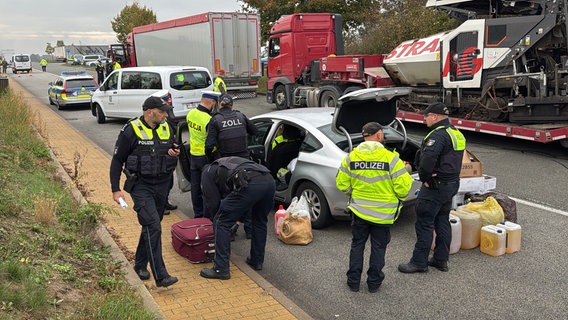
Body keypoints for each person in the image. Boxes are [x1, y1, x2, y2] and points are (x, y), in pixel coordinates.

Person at [109, 95, 180, 288]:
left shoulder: (168, 126)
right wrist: (116, 190)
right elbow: (117, 160)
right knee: (154, 226)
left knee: (151, 226)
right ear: (149, 112)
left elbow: (170, 147)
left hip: (163, 184)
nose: (166, 114)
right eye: (161, 111)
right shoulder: (131, 130)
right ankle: (161, 275)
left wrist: (174, 151)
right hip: (141, 186)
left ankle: (140, 265)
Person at [336, 122, 413, 293]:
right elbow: (404, 189)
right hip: (383, 215)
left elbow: (341, 184)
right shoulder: (391, 159)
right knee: (378, 248)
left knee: (357, 245)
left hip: (359, 212)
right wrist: (396, 199)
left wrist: (355, 193)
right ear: (378, 135)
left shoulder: (351, 157)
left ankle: (353, 282)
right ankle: (374, 283)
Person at [398, 102, 466, 274]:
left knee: (424, 223)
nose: (425, 119)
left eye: (426, 116)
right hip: (451, 184)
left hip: (436, 186)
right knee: (442, 220)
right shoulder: (456, 133)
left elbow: (428, 160)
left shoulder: (437, 136)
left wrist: (425, 178)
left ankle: (419, 262)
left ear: (435, 117)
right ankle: (441, 260)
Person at [199, 156, 275, 280]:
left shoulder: (206, 174)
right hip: (269, 181)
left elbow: (213, 204)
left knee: (220, 221)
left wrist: (218, 220)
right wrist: (237, 218)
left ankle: (221, 269)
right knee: (259, 221)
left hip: (250, 183)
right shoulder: (227, 163)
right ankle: (256, 261)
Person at [205, 94, 257, 239]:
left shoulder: (215, 120)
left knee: (228, 197)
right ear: (232, 105)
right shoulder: (241, 116)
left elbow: (209, 145)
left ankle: (230, 230)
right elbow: (255, 131)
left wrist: (212, 160)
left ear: (220, 105)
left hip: (227, 165)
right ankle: (250, 230)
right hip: (244, 162)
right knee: (247, 194)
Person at [186, 90, 220, 218]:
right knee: (207, 188)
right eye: (214, 104)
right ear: (211, 102)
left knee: (195, 186)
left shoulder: (190, 114)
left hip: (193, 155)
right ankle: (207, 216)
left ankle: (198, 213)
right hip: (206, 157)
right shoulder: (208, 120)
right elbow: (213, 140)